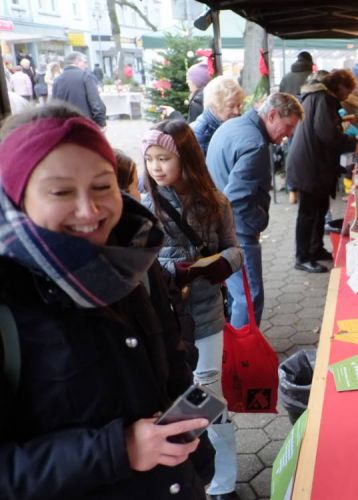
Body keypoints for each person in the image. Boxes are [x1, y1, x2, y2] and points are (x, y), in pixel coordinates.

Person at [0, 103, 214, 499]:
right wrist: (119, 450)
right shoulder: (9, 298)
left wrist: (199, 460)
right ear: (17, 197)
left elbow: (172, 364)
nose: (90, 210)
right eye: (61, 191)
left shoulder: (132, 258)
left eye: (103, 186)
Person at [141, 120, 243, 500]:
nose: (156, 167)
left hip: (205, 316)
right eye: (150, 159)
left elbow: (235, 248)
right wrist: (170, 270)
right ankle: (185, 474)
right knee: (171, 397)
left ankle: (223, 482)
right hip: (161, 321)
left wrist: (221, 264)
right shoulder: (141, 205)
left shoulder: (215, 202)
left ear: (186, 158)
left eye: (164, 158)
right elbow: (136, 263)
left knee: (208, 398)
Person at [206, 92, 303, 328]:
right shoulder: (256, 145)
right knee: (249, 298)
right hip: (238, 231)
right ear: (272, 115)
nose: (289, 135)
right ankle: (246, 359)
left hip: (222, 224)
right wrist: (259, 220)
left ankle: (240, 352)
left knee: (240, 295)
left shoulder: (233, 126)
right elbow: (237, 198)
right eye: (288, 126)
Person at [286, 69, 358, 274]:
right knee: (308, 213)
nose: (348, 95)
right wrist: (351, 142)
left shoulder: (317, 96)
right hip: (310, 166)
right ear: (341, 86)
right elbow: (327, 133)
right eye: (348, 90)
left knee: (319, 209)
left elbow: (324, 129)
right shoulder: (324, 99)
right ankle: (302, 257)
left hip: (312, 163)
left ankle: (315, 249)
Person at [190, 75, 245, 155]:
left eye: (239, 105)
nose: (237, 111)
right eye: (231, 106)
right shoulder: (199, 133)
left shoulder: (231, 123)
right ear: (215, 105)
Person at [51, 52, 107, 128]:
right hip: (84, 123)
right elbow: (95, 102)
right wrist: (101, 123)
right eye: (84, 62)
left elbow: (54, 106)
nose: (86, 65)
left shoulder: (57, 80)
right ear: (77, 61)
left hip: (65, 125)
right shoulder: (85, 76)